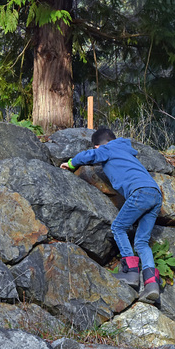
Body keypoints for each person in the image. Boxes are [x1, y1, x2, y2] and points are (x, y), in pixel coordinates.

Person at [61, 127, 163, 302]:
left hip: (139, 193)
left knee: (118, 227)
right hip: (155, 194)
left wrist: (70, 163)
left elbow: (89, 157)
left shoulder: (106, 149)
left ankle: (131, 272)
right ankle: (151, 283)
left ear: (97, 146)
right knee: (142, 242)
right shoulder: (125, 150)